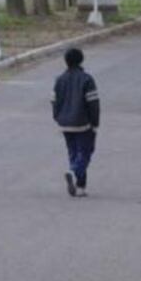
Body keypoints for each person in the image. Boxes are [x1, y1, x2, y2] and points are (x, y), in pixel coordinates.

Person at [51, 48, 100, 197]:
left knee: (73, 152)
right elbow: (93, 104)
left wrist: (58, 118)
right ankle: (73, 171)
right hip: (83, 123)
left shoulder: (59, 80)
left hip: (65, 123)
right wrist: (95, 123)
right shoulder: (87, 79)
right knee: (85, 152)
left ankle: (80, 187)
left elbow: (54, 102)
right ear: (81, 60)